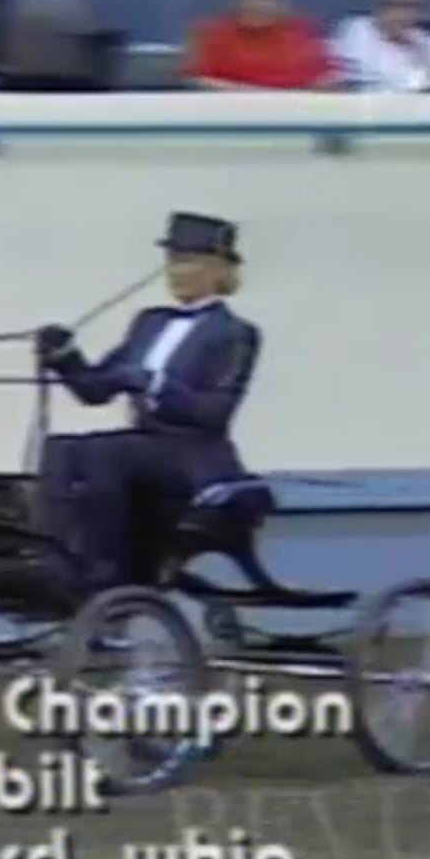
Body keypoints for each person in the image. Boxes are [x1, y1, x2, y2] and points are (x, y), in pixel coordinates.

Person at [32, 213, 263, 595]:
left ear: (218, 271)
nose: (175, 271)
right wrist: (64, 357)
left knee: (106, 452)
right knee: (60, 448)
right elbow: (94, 390)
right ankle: (53, 552)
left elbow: (213, 413)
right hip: (143, 449)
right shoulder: (149, 323)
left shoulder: (236, 334)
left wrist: (157, 384)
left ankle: (105, 567)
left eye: (187, 262)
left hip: (193, 457)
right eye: (172, 261)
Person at [181, 0, 338, 91]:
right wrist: (263, 98)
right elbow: (194, 81)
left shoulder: (305, 32)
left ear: (282, 3)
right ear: (235, 0)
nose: (258, 5)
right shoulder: (207, 33)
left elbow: (328, 79)